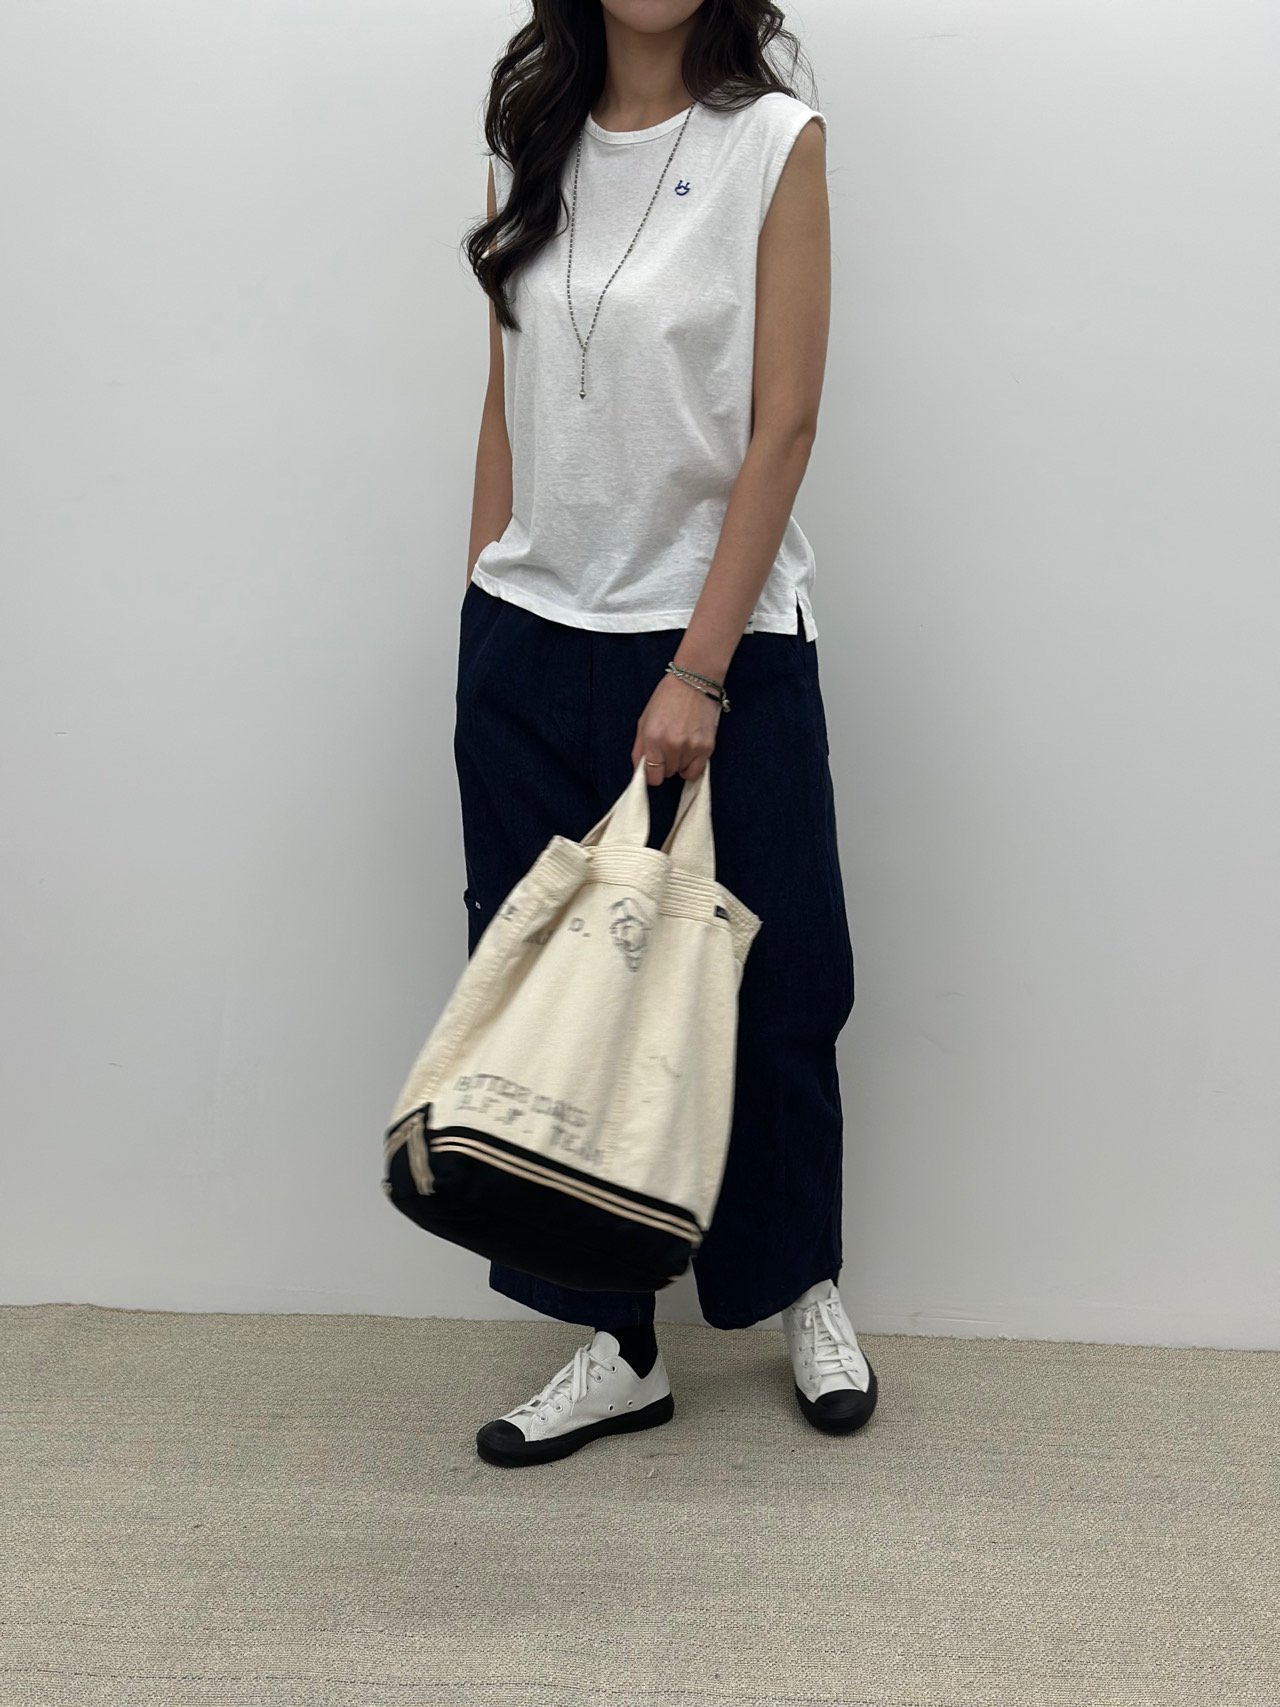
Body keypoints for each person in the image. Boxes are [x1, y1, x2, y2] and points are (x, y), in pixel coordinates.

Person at [456, 0, 877, 1468]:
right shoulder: (531, 147)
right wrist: (483, 595)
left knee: (772, 982)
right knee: (559, 1004)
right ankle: (614, 1343)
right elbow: (504, 396)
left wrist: (698, 669)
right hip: (531, 638)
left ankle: (798, 1285)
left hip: (721, 638)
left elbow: (785, 424)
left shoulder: (774, 144)